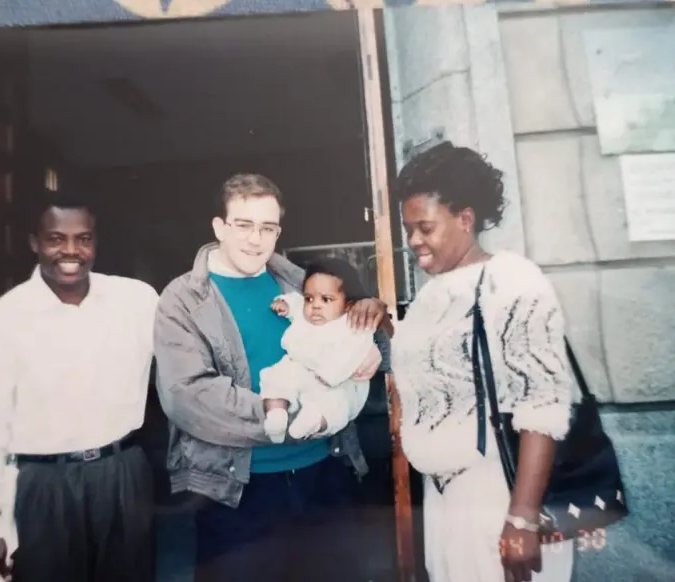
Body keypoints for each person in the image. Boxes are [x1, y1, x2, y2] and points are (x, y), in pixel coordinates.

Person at [153, 173, 390, 582]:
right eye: (243, 225)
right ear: (219, 227)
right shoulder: (183, 299)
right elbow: (186, 396)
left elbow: (374, 348)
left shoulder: (299, 282)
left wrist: (371, 324)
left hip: (322, 475)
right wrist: (294, 413)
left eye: (268, 227)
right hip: (237, 491)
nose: (255, 239)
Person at [0, 190, 159, 582]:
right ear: (35, 243)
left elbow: (185, 358)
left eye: (83, 238)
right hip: (44, 487)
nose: (71, 250)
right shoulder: (4, 319)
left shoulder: (136, 300)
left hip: (123, 477)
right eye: (56, 239)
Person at [390, 142, 575, 582]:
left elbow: (542, 406)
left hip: (496, 494)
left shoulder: (511, 280)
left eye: (425, 227)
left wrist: (523, 519)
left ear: (466, 220)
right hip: (442, 499)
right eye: (407, 229)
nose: (414, 240)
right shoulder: (431, 294)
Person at [261, 258, 377, 444]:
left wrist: (329, 375)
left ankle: (314, 421)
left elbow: (354, 353)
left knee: (336, 406)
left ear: (348, 304)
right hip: (301, 369)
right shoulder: (306, 313)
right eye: (310, 298)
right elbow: (296, 302)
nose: (315, 305)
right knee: (276, 378)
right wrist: (285, 304)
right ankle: (276, 415)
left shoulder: (352, 325)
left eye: (326, 299)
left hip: (337, 382)